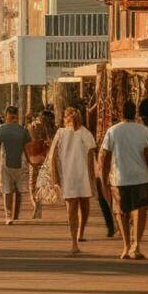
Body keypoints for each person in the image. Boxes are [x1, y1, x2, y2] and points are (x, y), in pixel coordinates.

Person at [99, 100, 148, 260]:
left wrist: (104, 179)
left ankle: (125, 246)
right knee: (140, 210)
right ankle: (136, 245)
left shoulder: (112, 131)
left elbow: (105, 157)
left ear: (120, 113)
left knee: (121, 212)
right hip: (140, 177)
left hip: (119, 178)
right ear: (135, 113)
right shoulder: (143, 131)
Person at [49, 107, 97, 255]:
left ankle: (74, 243)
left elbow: (52, 156)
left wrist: (54, 177)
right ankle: (80, 232)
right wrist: (92, 178)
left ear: (65, 119)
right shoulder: (86, 133)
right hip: (82, 176)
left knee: (71, 209)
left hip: (68, 176)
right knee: (84, 204)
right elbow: (91, 158)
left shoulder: (61, 133)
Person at [0, 105, 32, 225]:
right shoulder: (23, 130)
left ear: (6, 116)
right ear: (17, 116)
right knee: (18, 190)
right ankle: (15, 214)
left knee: (7, 190)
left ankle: (9, 215)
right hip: (20, 164)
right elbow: (28, 149)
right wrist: (31, 163)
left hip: (5, 164)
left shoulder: (0, 129)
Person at [26, 109, 53, 220]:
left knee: (32, 184)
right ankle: (38, 203)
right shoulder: (49, 130)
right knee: (41, 184)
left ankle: (37, 204)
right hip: (43, 158)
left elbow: (27, 144)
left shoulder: (31, 127)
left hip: (33, 158)